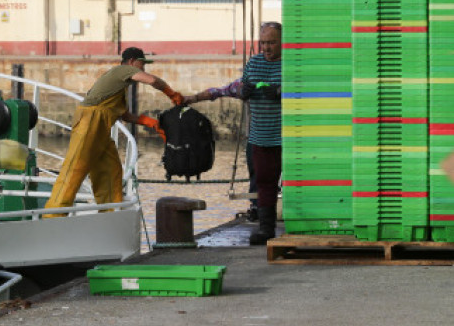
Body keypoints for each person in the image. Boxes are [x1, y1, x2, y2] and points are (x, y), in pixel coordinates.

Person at [44, 47, 184, 215]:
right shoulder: (123, 70)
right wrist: (171, 93)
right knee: (75, 168)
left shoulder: (119, 84)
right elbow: (152, 80)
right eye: (142, 63)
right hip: (90, 122)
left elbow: (123, 114)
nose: (143, 68)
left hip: (101, 128)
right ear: (132, 61)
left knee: (111, 170)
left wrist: (149, 122)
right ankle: (53, 214)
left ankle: (109, 214)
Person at [187, 22, 282, 244]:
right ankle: (266, 230)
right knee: (264, 183)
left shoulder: (292, 63)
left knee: (296, 182)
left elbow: (304, 89)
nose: (266, 48)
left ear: (282, 42)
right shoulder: (254, 62)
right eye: (263, 43)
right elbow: (231, 89)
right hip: (261, 137)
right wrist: (243, 91)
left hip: (287, 138)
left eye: (272, 43)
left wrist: (279, 91)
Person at [184, 77, 258, 221]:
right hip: (257, 139)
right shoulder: (244, 85)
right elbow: (217, 92)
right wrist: (193, 98)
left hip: (278, 137)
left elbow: (217, 92)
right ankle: (257, 206)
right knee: (256, 172)